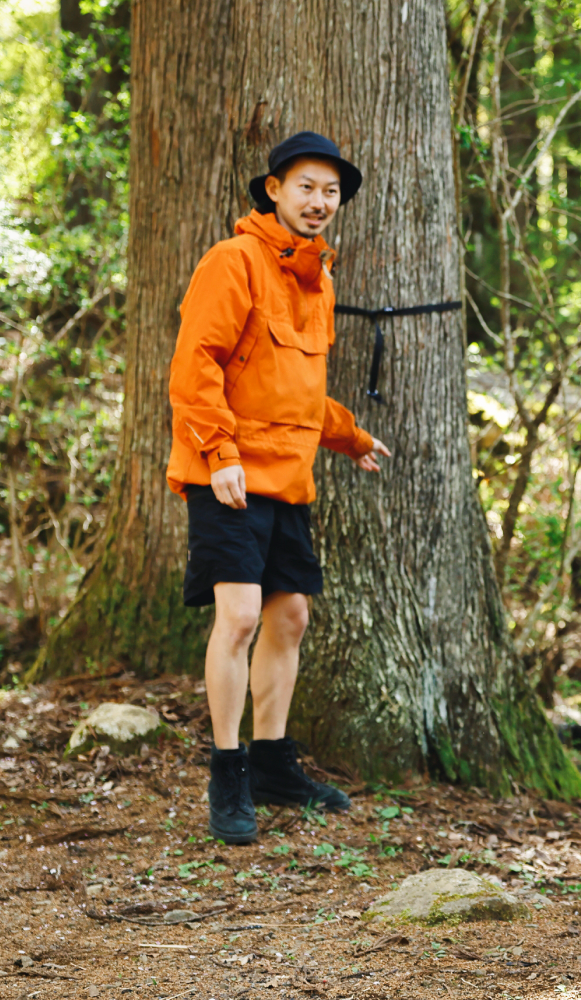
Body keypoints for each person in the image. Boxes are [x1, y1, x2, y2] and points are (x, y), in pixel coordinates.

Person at [166, 132, 390, 844]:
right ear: (274, 189)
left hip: (289, 478)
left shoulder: (319, 281)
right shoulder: (232, 262)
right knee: (236, 619)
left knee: (288, 619)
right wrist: (217, 451)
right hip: (226, 473)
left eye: (331, 193)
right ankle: (227, 773)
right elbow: (195, 363)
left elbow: (298, 391)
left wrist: (349, 436)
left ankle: (272, 762)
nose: (319, 202)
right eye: (307, 188)